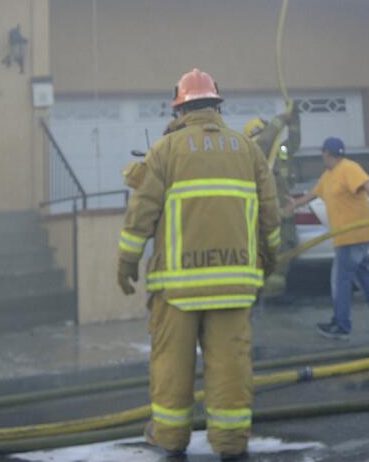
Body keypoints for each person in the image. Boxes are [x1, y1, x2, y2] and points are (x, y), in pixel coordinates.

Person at [116, 68, 281, 460]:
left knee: (172, 363)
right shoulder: (248, 149)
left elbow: (141, 212)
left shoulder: (165, 151)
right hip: (234, 282)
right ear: (217, 104)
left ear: (180, 109)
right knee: (231, 365)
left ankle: (170, 438)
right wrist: (269, 258)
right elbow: (270, 215)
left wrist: (127, 260)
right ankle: (229, 441)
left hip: (178, 287)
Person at [286, 137, 369, 340]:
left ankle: (341, 326)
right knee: (364, 278)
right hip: (346, 236)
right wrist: (295, 204)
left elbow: (368, 184)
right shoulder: (329, 175)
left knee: (340, 280)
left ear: (326, 153)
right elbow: (313, 193)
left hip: (354, 236)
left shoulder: (348, 168)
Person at [244, 105, 302, 297]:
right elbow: (266, 139)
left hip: (283, 210)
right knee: (265, 250)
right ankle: (261, 292)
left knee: (287, 246)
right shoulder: (253, 151)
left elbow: (293, 143)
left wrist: (294, 120)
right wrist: (282, 118)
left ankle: (274, 292)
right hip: (265, 212)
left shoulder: (280, 151)